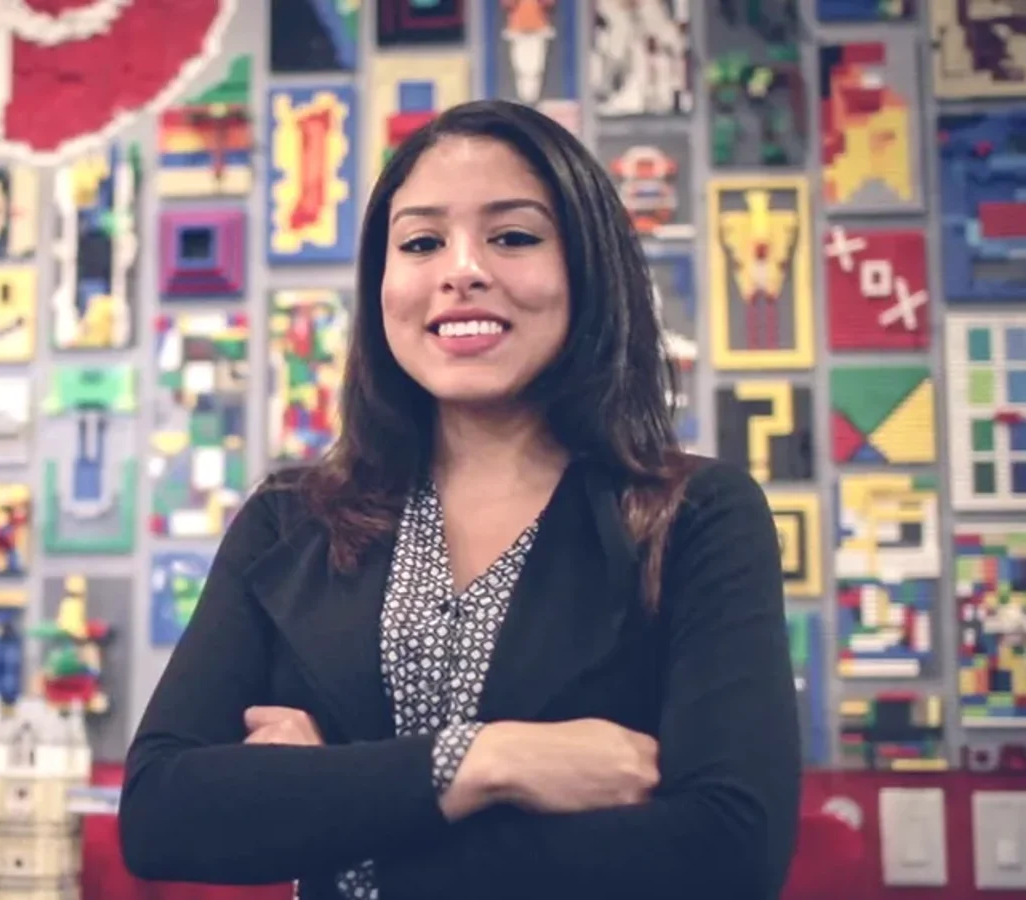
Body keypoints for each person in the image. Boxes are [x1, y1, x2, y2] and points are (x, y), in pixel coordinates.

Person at [116, 99, 801, 900]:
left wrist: (331, 818)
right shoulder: (290, 519)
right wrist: (486, 760)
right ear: (382, 284)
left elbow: (729, 852)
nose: (462, 270)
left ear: (588, 267)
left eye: (513, 236)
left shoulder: (696, 515)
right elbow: (161, 813)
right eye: (421, 243)